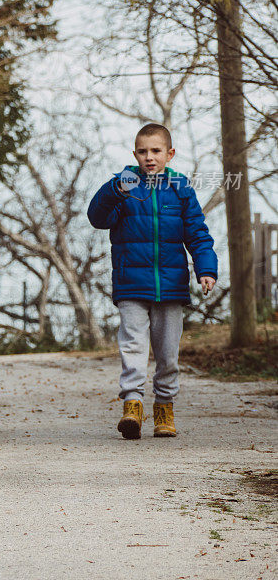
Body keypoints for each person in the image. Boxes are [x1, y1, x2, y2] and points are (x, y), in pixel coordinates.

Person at [87, 123, 218, 439]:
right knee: (132, 344)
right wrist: (115, 189)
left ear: (169, 154)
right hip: (131, 284)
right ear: (135, 154)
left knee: (167, 352)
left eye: (156, 151)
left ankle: (164, 408)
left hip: (171, 287)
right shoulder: (123, 186)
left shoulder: (180, 188)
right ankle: (132, 404)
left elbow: (197, 234)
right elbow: (97, 218)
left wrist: (206, 269)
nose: (149, 157)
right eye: (143, 151)